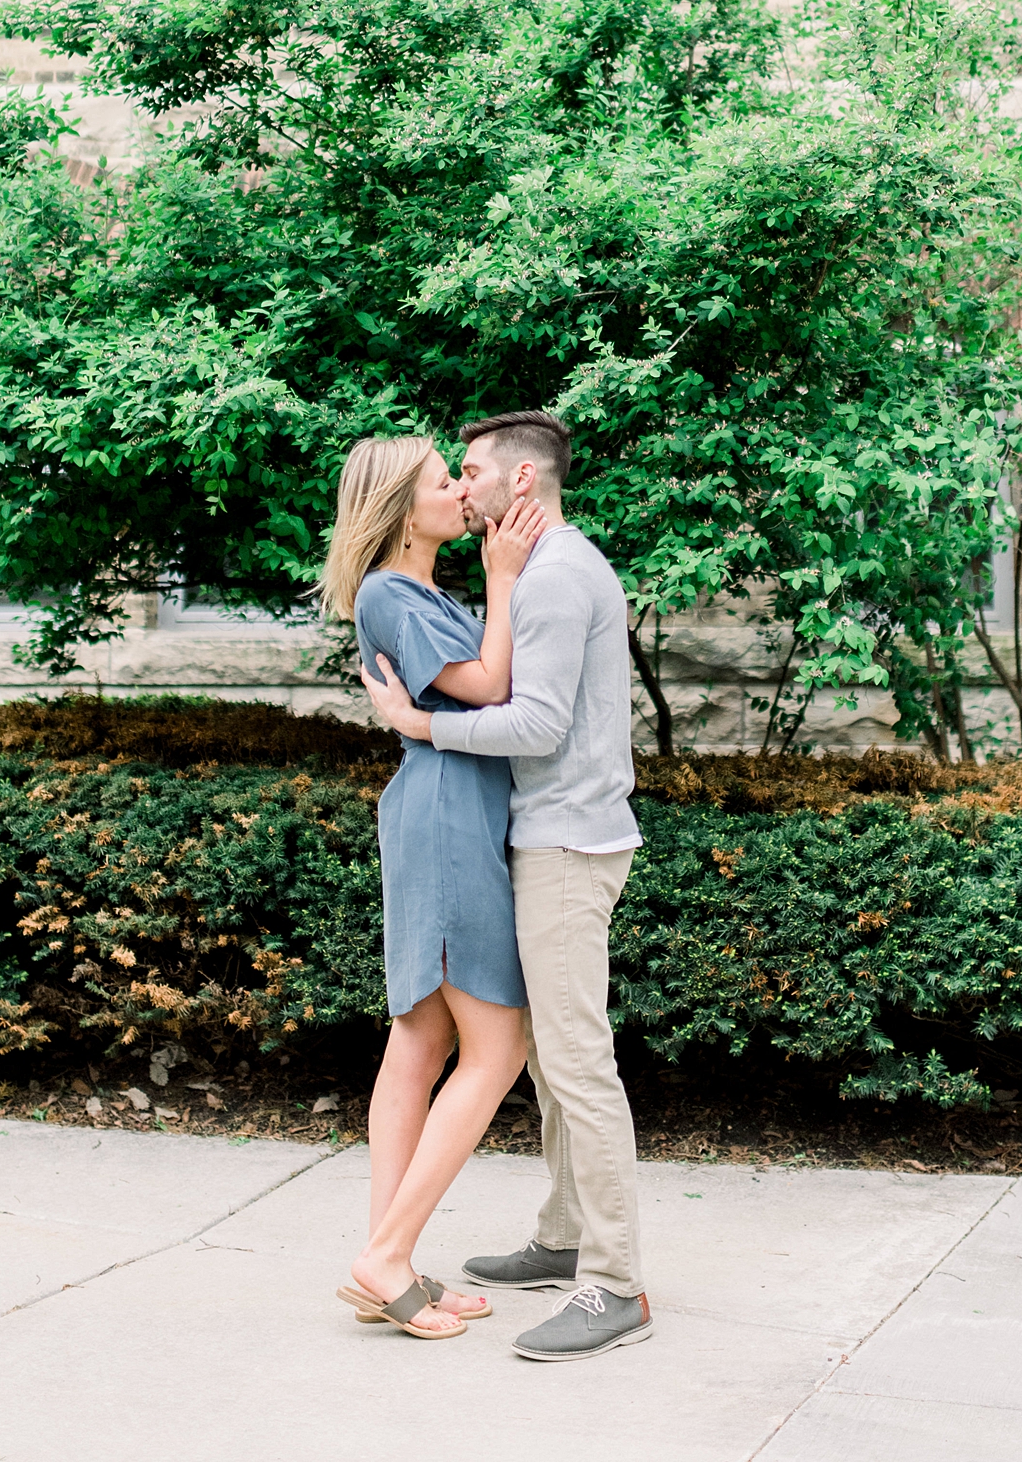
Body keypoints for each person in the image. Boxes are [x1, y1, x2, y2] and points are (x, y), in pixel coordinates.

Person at [362, 410, 652, 1364]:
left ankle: (613, 1284)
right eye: (450, 476)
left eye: (473, 471)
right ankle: (566, 1235)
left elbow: (530, 722)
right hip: (540, 835)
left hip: (566, 844)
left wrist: (424, 727)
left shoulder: (558, 575)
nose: (463, 485)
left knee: (573, 1063)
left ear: (520, 483)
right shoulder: (523, 574)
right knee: (544, 1060)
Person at [317, 432, 546, 1341]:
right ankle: (387, 1254)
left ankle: (390, 1262)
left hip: (446, 811)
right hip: (446, 818)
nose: (457, 490)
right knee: (498, 1050)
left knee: (419, 1040)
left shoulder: (417, 591)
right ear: (398, 508)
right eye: (439, 481)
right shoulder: (389, 590)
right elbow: (489, 685)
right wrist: (505, 578)